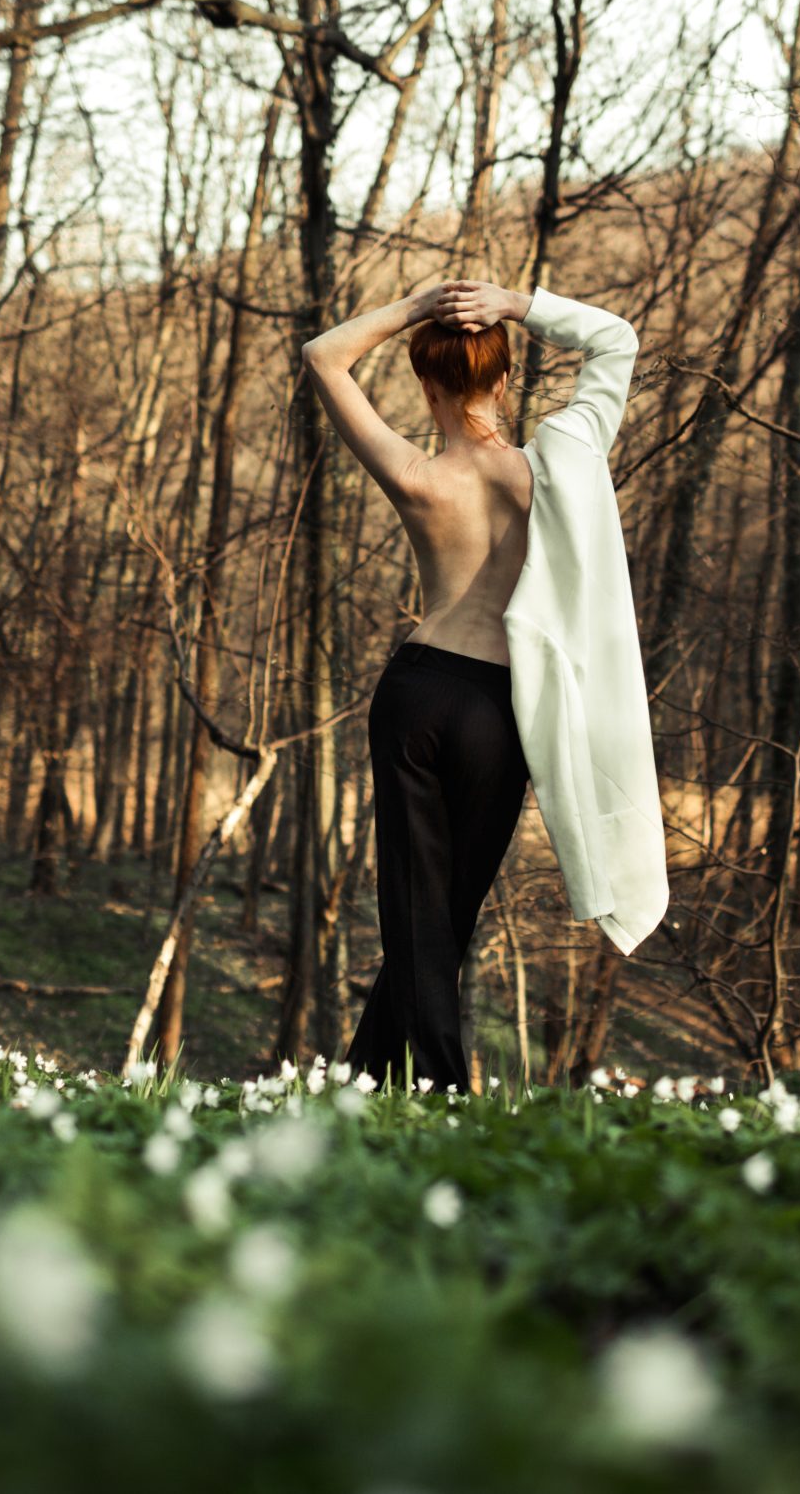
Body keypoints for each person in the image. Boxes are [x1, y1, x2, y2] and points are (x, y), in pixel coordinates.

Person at [300, 278, 669, 1095]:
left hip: (419, 691)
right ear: (503, 381)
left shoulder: (418, 477)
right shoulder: (559, 468)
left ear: (426, 385)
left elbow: (322, 356)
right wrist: (515, 302)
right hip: (503, 711)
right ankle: (404, 1086)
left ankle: (405, 1084)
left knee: (414, 908)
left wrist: (415, 306)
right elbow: (616, 339)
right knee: (446, 915)